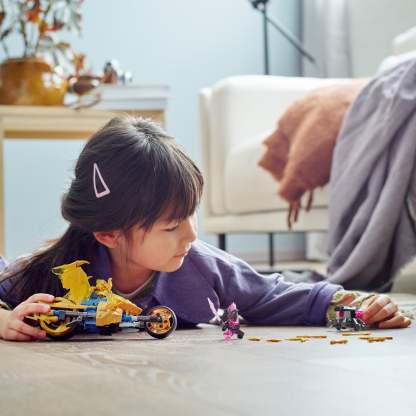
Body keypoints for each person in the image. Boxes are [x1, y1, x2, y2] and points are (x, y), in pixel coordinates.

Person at [0, 117, 410, 341]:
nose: (191, 236)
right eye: (171, 226)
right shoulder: (52, 274)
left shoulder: (202, 266)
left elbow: (277, 297)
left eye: (191, 215)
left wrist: (356, 307)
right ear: (108, 234)